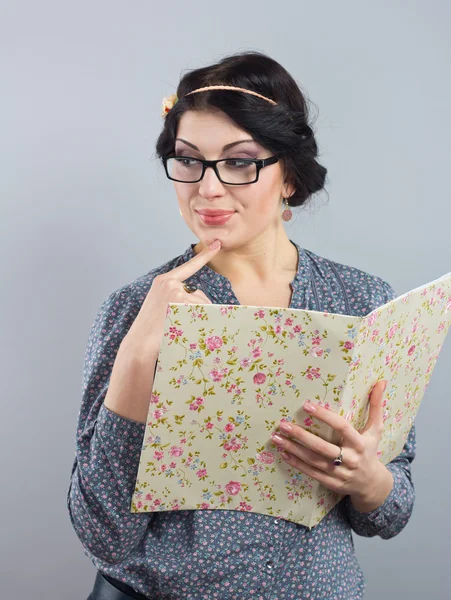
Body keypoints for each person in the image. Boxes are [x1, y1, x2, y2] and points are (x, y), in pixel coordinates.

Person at [67, 51, 416, 600]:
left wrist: (369, 482)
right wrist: (139, 355)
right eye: (188, 160)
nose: (207, 189)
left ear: (289, 177)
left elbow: (392, 510)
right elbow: (102, 535)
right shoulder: (135, 306)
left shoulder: (363, 302)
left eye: (239, 162)